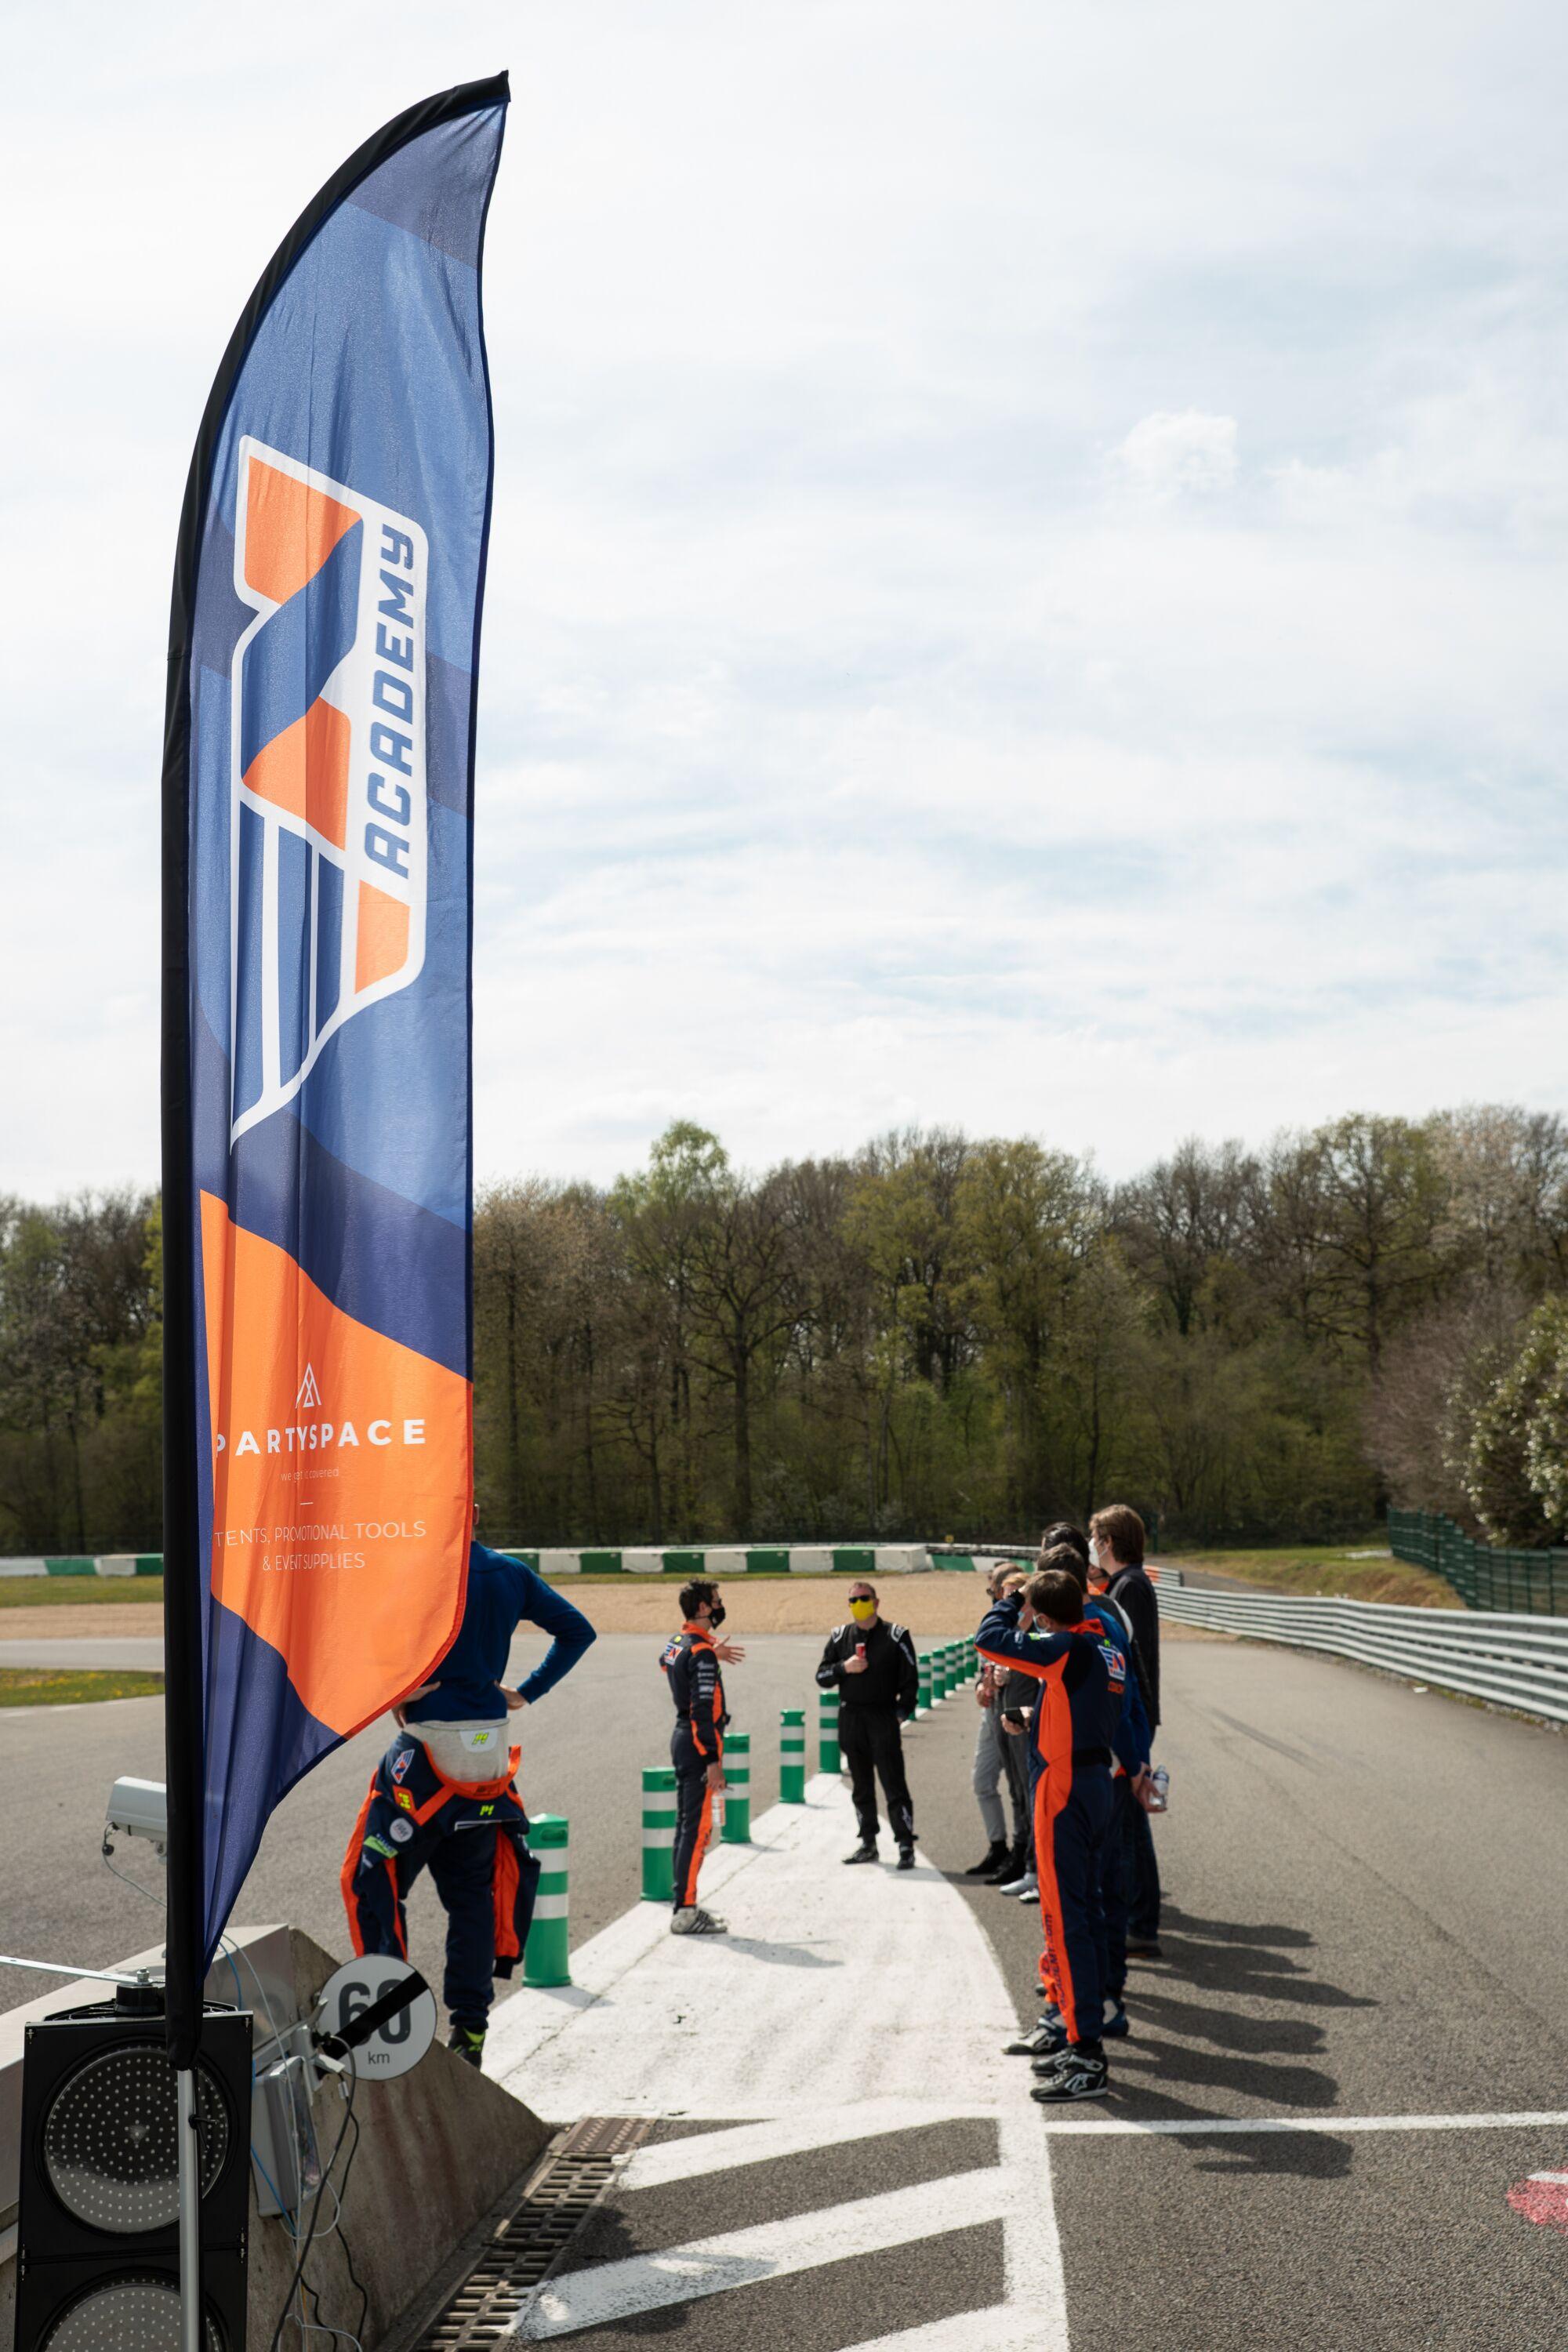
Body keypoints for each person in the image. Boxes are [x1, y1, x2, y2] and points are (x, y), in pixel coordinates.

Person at [342, 1518, 597, 2067]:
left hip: (426, 1758)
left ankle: (390, 2023)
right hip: (487, 1758)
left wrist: (398, 1691)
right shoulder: (508, 1572)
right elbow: (578, 1631)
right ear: (475, 1511)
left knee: (372, 1878)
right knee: (472, 1900)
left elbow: (351, 1634)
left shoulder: (414, 1572)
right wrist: (526, 1692)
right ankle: (471, 2029)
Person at [977, 1564, 1127, 2103]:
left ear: (1043, 1616)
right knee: (1084, 1914)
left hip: (1064, 1789)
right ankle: (1076, 2029)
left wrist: (1010, 1600)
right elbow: (1077, 1707)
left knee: (1064, 1922)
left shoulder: (1066, 1646)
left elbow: (989, 1641)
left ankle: (1087, 2054)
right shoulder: (1105, 1647)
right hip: (1094, 1782)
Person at [1090, 1504, 1163, 1957]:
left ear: (1109, 1542)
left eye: (1095, 1535)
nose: (1091, 1542)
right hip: (1136, 1712)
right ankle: (1141, 1920)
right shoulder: (1125, 1583)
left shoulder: (1129, 1586)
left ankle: (1140, 1922)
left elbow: (1126, 1658)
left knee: (1127, 1827)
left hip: (1133, 1714)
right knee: (1130, 1823)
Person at [818, 1580, 920, 1868]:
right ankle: (868, 1842)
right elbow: (821, 1677)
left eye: (864, 1598)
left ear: (876, 1602)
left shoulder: (896, 1635)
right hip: (850, 1717)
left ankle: (905, 1844)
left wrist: (901, 1713)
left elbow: (911, 1680)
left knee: (893, 1782)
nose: (858, 1604)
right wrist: (843, 1668)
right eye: (853, 1600)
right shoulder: (839, 1637)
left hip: (882, 1717)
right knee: (861, 1785)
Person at [661, 1577, 743, 1935]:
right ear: (704, 1608)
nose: (721, 1604)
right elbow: (703, 1710)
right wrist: (713, 1761)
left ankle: (685, 1901)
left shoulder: (678, 1641)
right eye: (717, 1600)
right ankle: (687, 1912)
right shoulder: (700, 1651)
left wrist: (709, 1648)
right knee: (696, 1831)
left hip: (682, 1739)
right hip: (698, 1744)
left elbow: (665, 1662)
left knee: (686, 1826)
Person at [966, 1562, 1027, 1877]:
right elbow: (984, 1669)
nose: (993, 1593)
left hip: (1017, 1712)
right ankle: (999, 1847)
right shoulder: (992, 1620)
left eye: (997, 1588)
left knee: (1021, 1788)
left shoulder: (1023, 1622)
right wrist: (981, 1686)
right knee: (982, 1781)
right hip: (992, 1712)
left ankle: (1023, 1855)